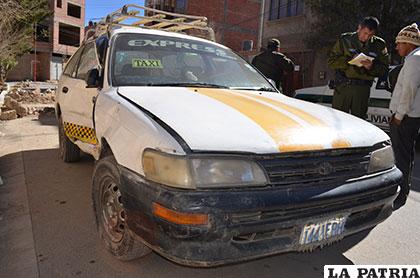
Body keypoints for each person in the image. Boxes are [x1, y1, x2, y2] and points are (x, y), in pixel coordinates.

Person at [327, 17, 389, 119]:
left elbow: (384, 68)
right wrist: (349, 60)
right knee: (338, 120)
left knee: (359, 122)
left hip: (362, 90)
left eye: (370, 35)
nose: (366, 37)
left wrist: (371, 67)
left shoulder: (379, 44)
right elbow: (331, 61)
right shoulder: (345, 40)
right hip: (343, 87)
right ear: (359, 28)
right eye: (365, 33)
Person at [389, 23, 420, 210]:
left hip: (406, 117)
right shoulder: (414, 58)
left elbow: (408, 90)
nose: (397, 46)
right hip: (410, 116)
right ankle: (402, 191)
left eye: (399, 42)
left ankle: (400, 194)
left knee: (402, 156)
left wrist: (399, 115)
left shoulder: (414, 60)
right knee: (405, 155)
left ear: (409, 43)